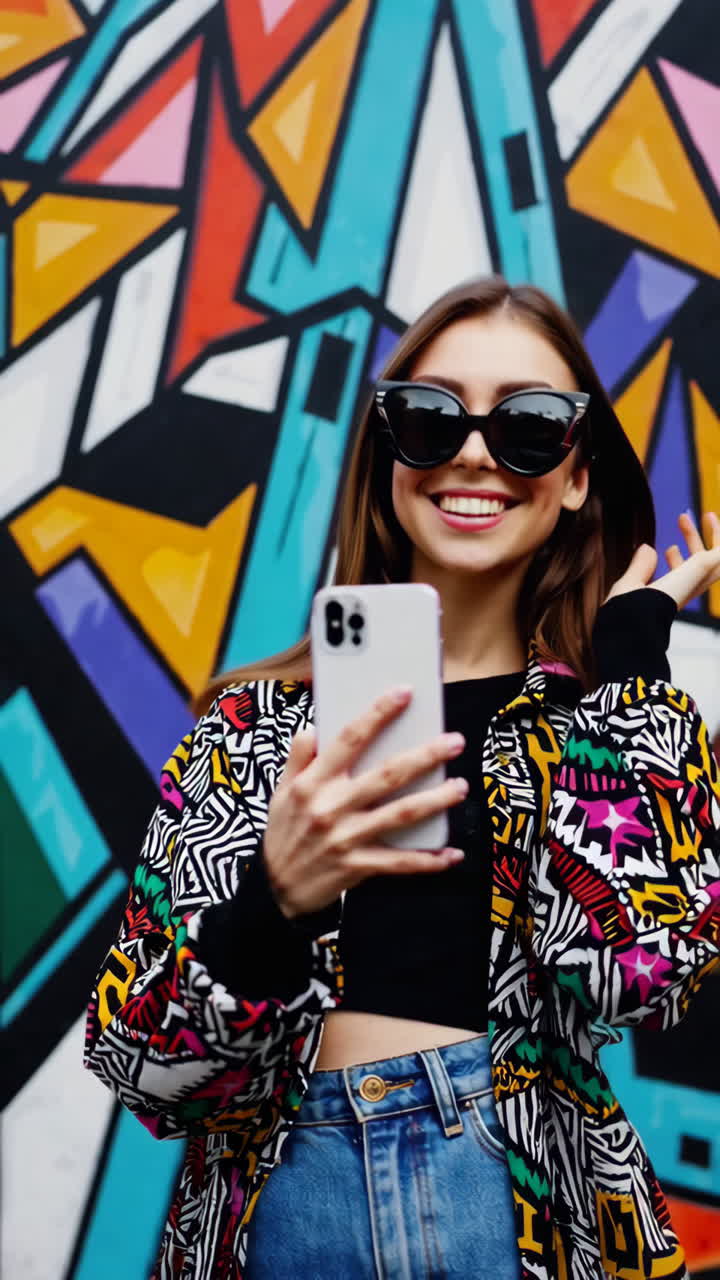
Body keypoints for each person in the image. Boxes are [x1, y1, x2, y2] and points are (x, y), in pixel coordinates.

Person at [85, 277, 720, 1280]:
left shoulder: (601, 724)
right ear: (388, 455)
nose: (473, 450)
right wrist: (272, 899)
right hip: (280, 1210)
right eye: (430, 418)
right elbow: (141, 1068)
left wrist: (631, 661)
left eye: (528, 424)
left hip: (522, 1213)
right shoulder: (250, 729)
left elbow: (638, 973)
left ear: (579, 474)